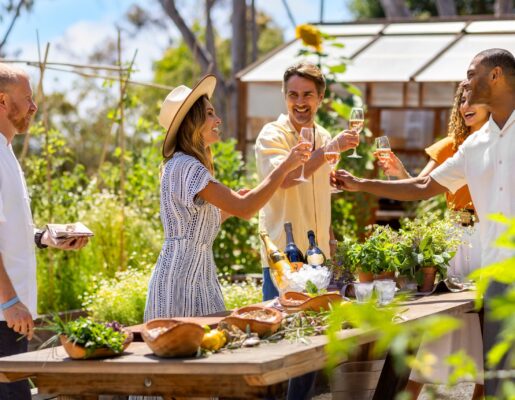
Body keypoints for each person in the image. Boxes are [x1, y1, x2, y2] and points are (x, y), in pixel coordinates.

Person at [332, 48, 515, 398]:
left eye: (471, 73)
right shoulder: (474, 146)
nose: (465, 82)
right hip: (497, 282)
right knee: (500, 384)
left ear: (495, 76)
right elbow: (422, 186)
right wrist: (361, 183)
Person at [144, 74, 310, 321]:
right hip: (181, 282)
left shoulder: (179, 164)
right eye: (210, 114)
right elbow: (247, 209)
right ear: (193, 122)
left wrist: (225, 212)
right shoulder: (188, 166)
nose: (217, 119)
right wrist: (285, 166)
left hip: (194, 275)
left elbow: (190, 225)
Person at [375, 82, 487, 399]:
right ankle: (407, 392)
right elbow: (420, 185)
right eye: (462, 99)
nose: (466, 104)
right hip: (456, 240)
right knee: (444, 318)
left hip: (489, 237)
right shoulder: (449, 146)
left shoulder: (500, 144)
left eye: (474, 99)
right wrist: (399, 171)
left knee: (486, 324)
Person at [255, 61, 359, 400]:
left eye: (307, 95)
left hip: (319, 259)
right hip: (284, 260)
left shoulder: (325, 136)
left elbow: (320, 191)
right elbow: (284, 181)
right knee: (283, 344)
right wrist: (328, 152)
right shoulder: (272, 135)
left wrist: (332, 245)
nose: (300, 102)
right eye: (293, 95)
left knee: (314, 346)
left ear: (321, 98)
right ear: (285, 97)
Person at [0, 63, 89, 400]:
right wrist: (9, 301)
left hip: (10, 314)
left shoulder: (7, 152)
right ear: (3, 101)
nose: (35, 107)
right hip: (3, 313)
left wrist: (45, 237)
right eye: (28, 98)